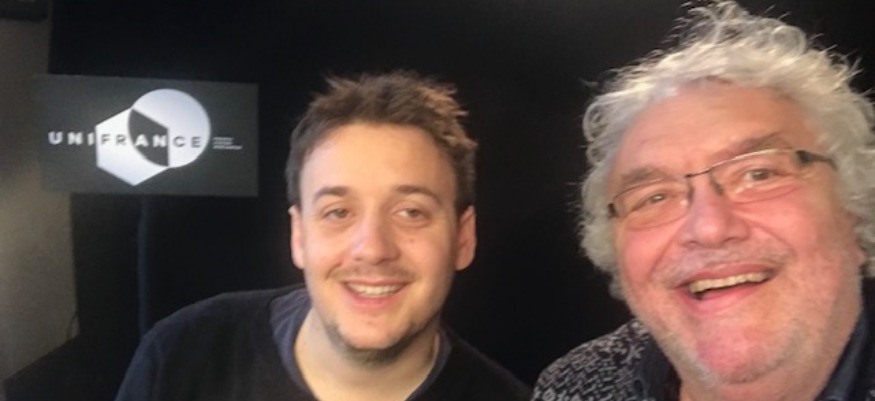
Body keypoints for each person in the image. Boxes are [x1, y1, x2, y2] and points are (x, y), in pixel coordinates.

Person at [115, 71, 531, 401]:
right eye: (338, 213)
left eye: (411, 212)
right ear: (299, 235)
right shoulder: (183, 357)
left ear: (463, 238)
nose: (372, 248)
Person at [533, 1, 875, 400]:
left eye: (758, 174)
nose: (709, 228)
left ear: (853, 206)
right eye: (655, 197)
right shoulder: (575, 385)